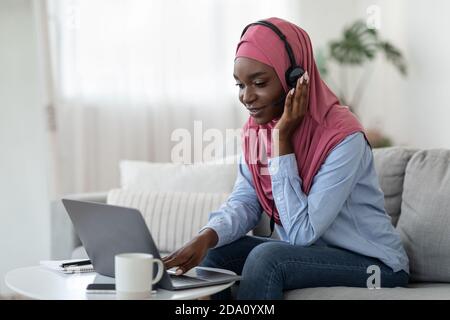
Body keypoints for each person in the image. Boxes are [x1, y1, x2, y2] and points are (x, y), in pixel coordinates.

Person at [162, 17, 409, 300]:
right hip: (314, 256)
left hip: (375, 267)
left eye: (258, 83)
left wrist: (282, 140)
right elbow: (245, 200)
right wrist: (206, 236)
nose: (247, 97)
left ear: (295, 79)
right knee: (216, 252)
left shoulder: (344, 137)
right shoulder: (255, 131)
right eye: (240, 85)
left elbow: (301, 233)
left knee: (268, 258)